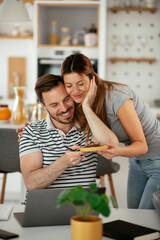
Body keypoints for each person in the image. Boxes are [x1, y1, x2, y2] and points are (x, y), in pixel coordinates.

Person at [60, 52, 160, 209]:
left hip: (157, 160)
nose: (75, 91)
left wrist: (116, 151)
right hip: (136, 162)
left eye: (80, 83)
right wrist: (30, 130)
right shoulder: (83, 99)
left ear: (91, 78)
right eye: (69, 85)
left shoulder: (116, 97)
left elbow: (142, 146)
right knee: (135, 217)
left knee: (147, 219)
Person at [19, 74, 119, 191]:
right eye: (54, 105)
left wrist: (86, 106)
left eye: (66, 99)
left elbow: (113, 145)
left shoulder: (90, 126)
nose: (64, 108)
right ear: (43, 106)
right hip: (45, 206)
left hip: (83, 207)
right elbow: (31, 183)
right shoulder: (31, 132)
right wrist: (64, 161)